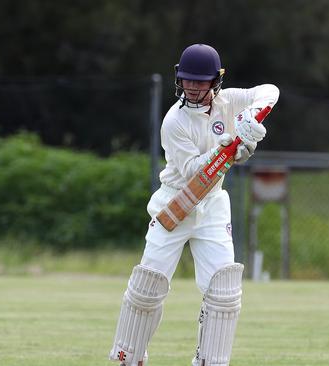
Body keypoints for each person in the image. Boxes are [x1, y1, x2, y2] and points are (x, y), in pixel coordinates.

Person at [109, 43, 279, 366]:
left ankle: (209, 361)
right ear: (179, 79)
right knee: (148, 285)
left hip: (213, 204)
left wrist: (249, 120)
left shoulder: (228, 102)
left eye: (200, 82)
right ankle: (128, 358)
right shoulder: (174, 122)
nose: (192, 86)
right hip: (176, 200)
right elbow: (192, 173)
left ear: (216, 82)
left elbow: (270, 91)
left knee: (224, 291)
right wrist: (229, 147)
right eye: (188, 80)